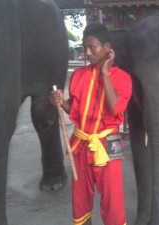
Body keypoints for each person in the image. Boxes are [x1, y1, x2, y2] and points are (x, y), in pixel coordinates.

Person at [49, 22, 132, 225]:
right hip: (81, 142)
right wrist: (61, 103)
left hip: (108, 142)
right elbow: (75, 112)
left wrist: (105, 73)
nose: (86, 53)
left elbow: (116, 109)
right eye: (84, 47)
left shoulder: (123, 78)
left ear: (107, 48)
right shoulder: (79, 75)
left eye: (91, 47)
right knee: (80, 197)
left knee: (113, 199)